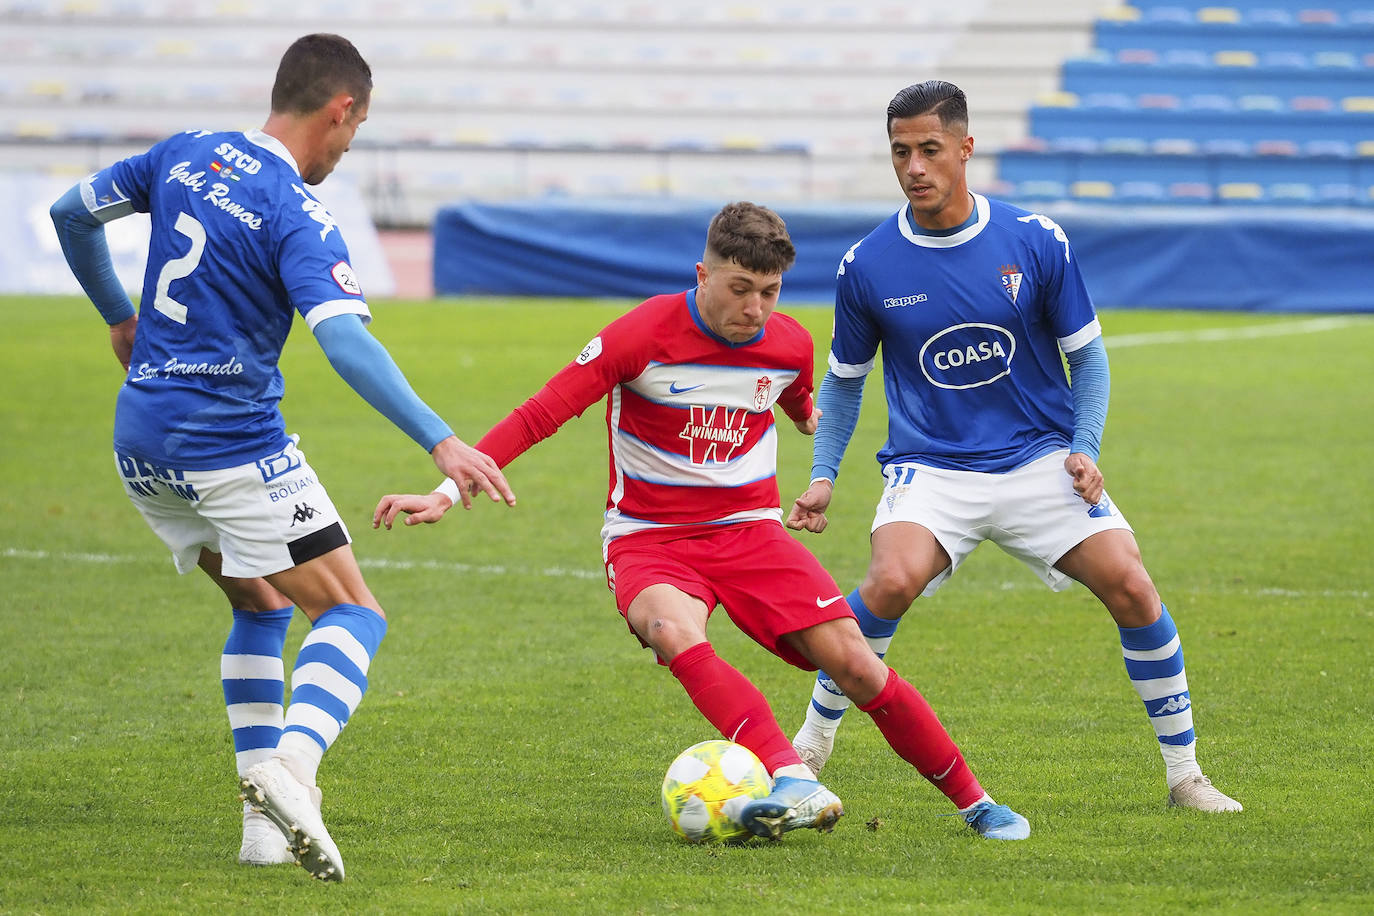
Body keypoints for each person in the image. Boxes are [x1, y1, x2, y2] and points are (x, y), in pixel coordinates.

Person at [373, 201, 1030, 841]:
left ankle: (977, 803)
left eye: (769, 292)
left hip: (752, 532)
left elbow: (797, 395)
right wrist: (446, 492)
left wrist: (805, 423)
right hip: (649, 540)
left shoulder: (788, 343)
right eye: (740, 288)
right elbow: (539, 413)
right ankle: (791, 778)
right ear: (703, 275)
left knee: (856, 663)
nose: (755, 309)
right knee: (668, 627)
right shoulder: (641, 336)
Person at [48, 33, 516, 882]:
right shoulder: (297, 211)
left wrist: (119, 315)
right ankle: (291, 770)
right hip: (227, 442)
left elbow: (69, 215)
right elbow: (347, 345)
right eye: (355, 130)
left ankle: (261, 833)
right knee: (353, 613)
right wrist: (442, 440)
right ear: (340, 110)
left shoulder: (186, 151)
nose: (346, 149)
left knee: (262, 607)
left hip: (142, 437)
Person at [784, 80, 1242, 814]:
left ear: (967, 148)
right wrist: (824, 475)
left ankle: (1185, 775)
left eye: (930, 149)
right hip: (931, 465)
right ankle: (807, 747)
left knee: (1130, 583)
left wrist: (1084, 447)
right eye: (900, 152)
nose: (914, 168)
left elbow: (1087, 360)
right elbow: (842, 383)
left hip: (1039, 458)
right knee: (891, 582)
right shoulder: (866, 266)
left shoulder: (1034, 239)